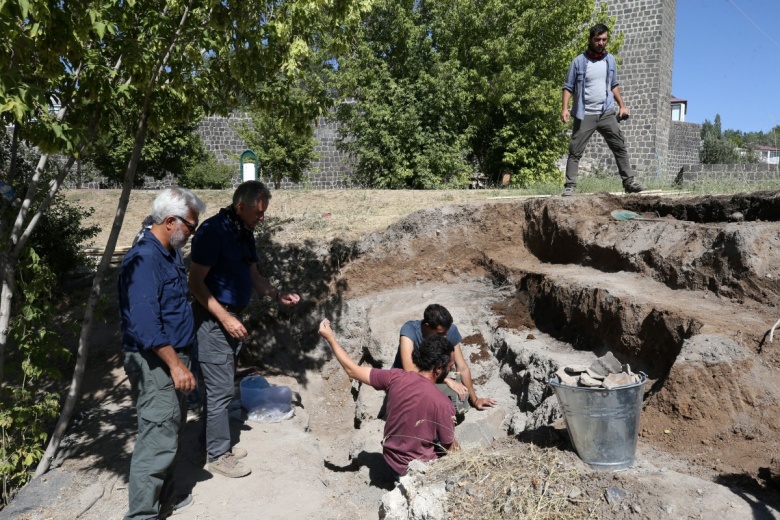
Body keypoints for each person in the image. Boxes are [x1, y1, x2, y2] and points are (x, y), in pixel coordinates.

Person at [188, 180, 300, 478]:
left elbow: (254, 276)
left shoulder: (243, 232)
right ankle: (218, 455)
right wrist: (225, 318)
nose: (262, 218)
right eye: (259, 212)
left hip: (232, 319)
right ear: (241, 207)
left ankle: (209, 442)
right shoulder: (213, 232)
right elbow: (195, 282)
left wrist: (277, 294)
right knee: (221, 389)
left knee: (220, 388)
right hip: (213, 321)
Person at [119, 187, 206, 520]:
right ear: (171, 221)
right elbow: (144, 324)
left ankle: (164, 501)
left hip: (174, 357)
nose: (193, 233)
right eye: (191, 227)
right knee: (157, 437)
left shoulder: (169, 251)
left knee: (170, 430)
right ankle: (142, 514)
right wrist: (175, 366)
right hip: (156, 360)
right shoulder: (143, 259)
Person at [318, 318, 459, 477]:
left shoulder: (395, 377)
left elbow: (352, 370)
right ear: (439, 369)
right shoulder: (442, 403)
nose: (451, 369)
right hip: (415, 470)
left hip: (390, 461)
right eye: (450, 366)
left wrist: (330, 337)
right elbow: (451, 450)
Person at [560, 23, 645, 197]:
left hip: (606, 112)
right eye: (598, 39)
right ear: (590, 39)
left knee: (619, 146)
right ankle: (570, 185)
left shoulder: (610, 60)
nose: (601, 43)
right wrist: (565, 109)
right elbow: (568, 87)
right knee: (575, 150)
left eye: (604, 39)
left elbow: (613, 85)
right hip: (585, 113)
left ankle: (629, 182)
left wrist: (622, 105)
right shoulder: (578, 62)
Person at [392, 304, 497, 413]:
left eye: (446, 332)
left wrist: (475, 400)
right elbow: (410, 370)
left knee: (453, 397)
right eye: (440, 333)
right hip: (405, 380)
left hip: (432, 378)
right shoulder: (410, 330)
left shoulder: (448, 331)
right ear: (427, 326)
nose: (445, 337)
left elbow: (462, 367)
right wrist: (446, 380)